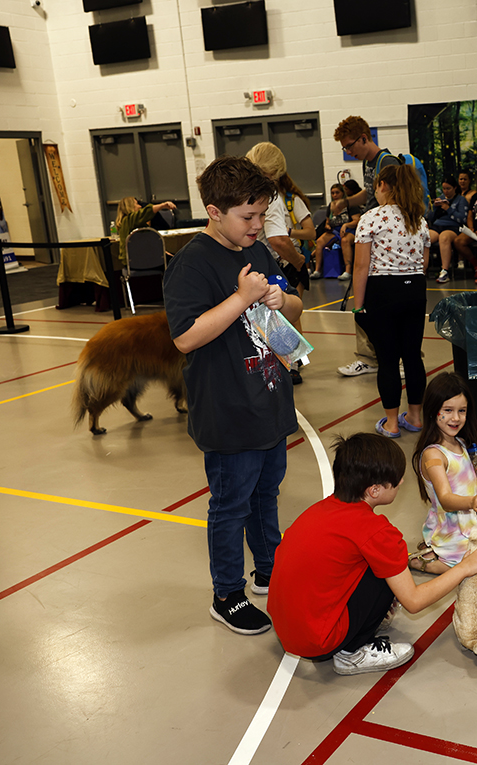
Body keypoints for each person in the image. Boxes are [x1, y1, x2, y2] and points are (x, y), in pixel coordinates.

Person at [163, 156, 303, 635]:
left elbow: (293, 311)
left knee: (268, 492)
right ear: (214, 211)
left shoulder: (259, 251)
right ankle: (227, 593)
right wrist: (242, 297)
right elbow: (185, 337)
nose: (258, 225)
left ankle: (269, 568)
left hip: (268, 398)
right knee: (230, 504)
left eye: (263, 215)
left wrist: (284, 302)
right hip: (227, 410)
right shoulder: (190, 265)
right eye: (248, 217)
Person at [266, 432, 477, 674]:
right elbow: (414, 601)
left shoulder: (319, 509)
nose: (401, 483)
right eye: (397, 479)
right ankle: (352, 652)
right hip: (317, 642)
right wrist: (465, 566)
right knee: (387, 570)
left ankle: (354, 629)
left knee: (371, 563)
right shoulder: (377, 531)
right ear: (375, 490)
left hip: (287, 627)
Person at [352, 163, 430, 438]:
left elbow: (361, 267)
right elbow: (424, 263)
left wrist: (358, 305)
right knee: (412, 356)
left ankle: (392, 423)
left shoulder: (372, 218)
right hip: (415, 291)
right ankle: (417, 417)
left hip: (383, 289)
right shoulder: (418, 219)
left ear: (383, 185)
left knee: (387, 360)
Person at [408, 372, 477, 575]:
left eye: (462, 411)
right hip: (452, 528)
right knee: (472, 565)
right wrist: (472, 502)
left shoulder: (461, 443)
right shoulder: (433, 455)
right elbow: (446, 499)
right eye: (447, 410)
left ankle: (433, 551)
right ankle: (423, 561)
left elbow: (470, 477)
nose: (456, 418)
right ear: (433, 411)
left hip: (470, 519)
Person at [333, 115, 401, 377]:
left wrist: (363, 220)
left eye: (350, 146)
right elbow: (370, 196)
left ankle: (405, 357)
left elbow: (394, 202)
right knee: (365, 299)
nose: (349, 152)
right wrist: (347, 203)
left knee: (390, 302)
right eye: (345, 148)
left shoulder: (388, 162)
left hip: (385, 243)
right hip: (371, 235)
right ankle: (368, 356)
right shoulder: (368, 163)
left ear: (364, 138)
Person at [245, 142, 315, 385]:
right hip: (271, 264)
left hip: (245, 266)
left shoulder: (239, 192)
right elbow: (277, 240)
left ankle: (287, 361)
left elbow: (309, 232)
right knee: (288, 314)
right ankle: (292, 362)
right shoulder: (270, 196)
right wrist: (298, 261)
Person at [428, 175, 468, 283]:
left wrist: (449, 209)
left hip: (452, 227)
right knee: (425, 237)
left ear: (455, 188)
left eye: (448, 188)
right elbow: (430, 217)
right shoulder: (441, 198)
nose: (446, 191)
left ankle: (444, 271)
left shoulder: (461, 200)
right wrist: (433, 207)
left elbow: (462, 219)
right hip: (437, 225)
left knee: (444, 237)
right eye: (444, 188)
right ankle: (422, 269)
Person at [115, 196, 176, 265]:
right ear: (130, 206)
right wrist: (163, 205)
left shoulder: (130, 223)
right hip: (140, 260)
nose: (140, 206)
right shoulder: (129, 220)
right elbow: (145, 212)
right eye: (137, 204)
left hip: (139, 259)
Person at [310, 183, 353, 279]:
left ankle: (348, 271)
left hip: (349, 230)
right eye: (332, 193)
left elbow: (357, 220)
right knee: (320, 241)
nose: (335, 195)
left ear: (343, 193)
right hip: (334, 231)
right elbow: (327, 221)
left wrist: (346, 225)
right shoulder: (331, 205)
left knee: (345, 241)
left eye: (337, 192)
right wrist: (327, 226)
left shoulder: (350, 204)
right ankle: (317, 270)